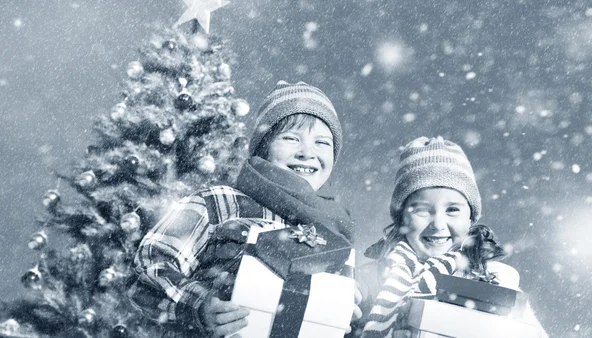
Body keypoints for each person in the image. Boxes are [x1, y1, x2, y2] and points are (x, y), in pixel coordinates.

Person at [128, 81, 358, 337]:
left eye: (322, 143)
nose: (307, 152)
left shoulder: (334, 234)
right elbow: (150, 266)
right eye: (291, 138)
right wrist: (199, 306)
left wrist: (342, 307)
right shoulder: (217, 203)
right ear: (264, 147)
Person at [355, 136, 548, 338]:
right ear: (401, 218)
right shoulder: (369, 281)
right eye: (422, 210)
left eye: (452, 209)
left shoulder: (493, 281)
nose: (438, 223)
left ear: (471, 218)